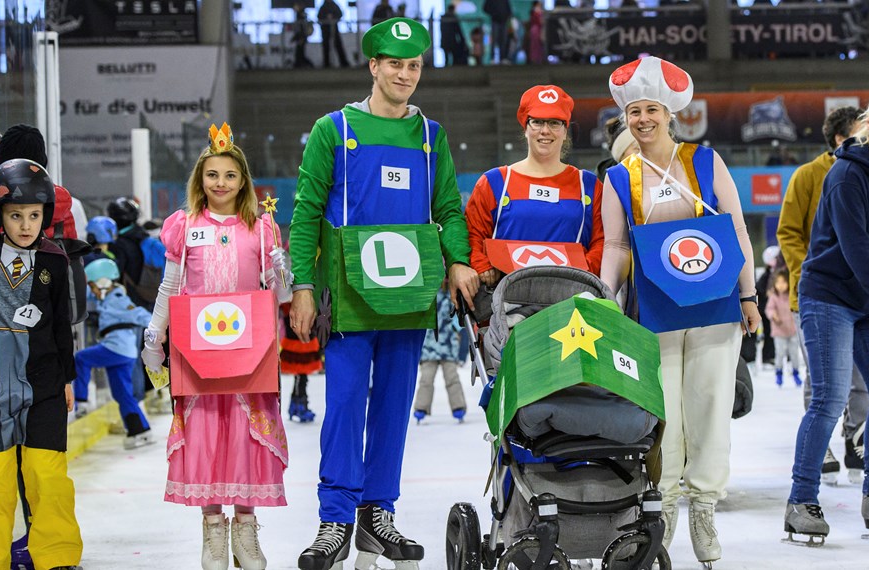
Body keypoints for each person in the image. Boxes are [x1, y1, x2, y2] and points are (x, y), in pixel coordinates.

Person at [286, 17, 478, 570]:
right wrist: (302, 284)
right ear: (373, 66)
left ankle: (377, 515)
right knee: (344, 404)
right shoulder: (333, 130)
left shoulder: (429, 136)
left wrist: (460, 260)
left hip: (410, 293)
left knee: (394, 407)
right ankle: (335, 520)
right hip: (346, 295)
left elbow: (447, 207)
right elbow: (305, 214)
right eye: (394, 63)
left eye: (413, 65)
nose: (404, 73)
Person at [600, 57, 760, 567]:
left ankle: (705, 506)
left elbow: (735, 230)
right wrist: (607, 302)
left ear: (669, 113)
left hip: (715, 306)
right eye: (634, 111)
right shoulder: (617, 178)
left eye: (652, 109)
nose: (643, 118)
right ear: (625, 117)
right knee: (662, 414)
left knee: (712, 403)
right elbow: (617, 249)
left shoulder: (707, 162)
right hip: (653, 309)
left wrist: (750, 294)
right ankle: (663, 507)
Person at [140, 123, 293, 570]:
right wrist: (155, 333)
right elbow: (171, 286)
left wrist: (280, 272)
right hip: (198, 352)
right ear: (199, 180)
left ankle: (246, 529)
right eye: (212, 175)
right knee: (207, 435)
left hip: (252, 353)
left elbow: (277, 298)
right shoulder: (183, 227)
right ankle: (212, 531)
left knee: (247, 438)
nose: (220, 183)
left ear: (243, 181)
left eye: (229, 175)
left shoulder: (262, 229)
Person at [784, 85, 869, 545]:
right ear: (868, 121)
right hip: (829, 298)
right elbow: (856, 245)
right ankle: (801, 501)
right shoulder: (845, 175)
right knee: (829, 397)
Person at [0, 158, 84, 570]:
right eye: (15, 216)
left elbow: (63, 325)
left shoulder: (54, 260)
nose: (25, 225)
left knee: (48, 475)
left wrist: (68, 377)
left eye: (33, 216)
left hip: (44, 383)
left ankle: (57, 556)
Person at [776, 105, 869, 484]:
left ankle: (857, 439)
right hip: (816, 295)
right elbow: (788, 232)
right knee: (821, 379)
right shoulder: (808, 175)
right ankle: (823, 446)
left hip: (862, 296)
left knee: (861, 378)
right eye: (863, 130)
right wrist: (810, 271)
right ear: (840, 138)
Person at [465, 84, 605, 285]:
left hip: (570, 299)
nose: (545, 131)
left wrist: (583, 272)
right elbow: (473, 233)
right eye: (537, 122)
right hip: (507, 302)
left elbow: (601, 240)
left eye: (555, 123)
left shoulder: (589, 186)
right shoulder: (494, 182)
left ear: (566, 131)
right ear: (525, 128)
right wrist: (482, 266)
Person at [73, 258, 155, 449]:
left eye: (93, 286)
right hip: (121, 352)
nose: (92, 291)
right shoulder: (105, 297)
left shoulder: (118, 300)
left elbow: (142, 315)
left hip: (118, 349)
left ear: (103, 283)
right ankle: (140, 431)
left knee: (81, 358)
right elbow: (83, 294)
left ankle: (82, 402)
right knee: (122, 394)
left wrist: (157, 331)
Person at [413, 282, 466, 423]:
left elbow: (459, 316)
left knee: (452, 378)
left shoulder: (453, 294)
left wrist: (455, 329)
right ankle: (420, 408)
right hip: (429, 345)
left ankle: (458, 407)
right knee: (426, 379)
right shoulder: (428, 294)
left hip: (448, 344)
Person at [279, 298, 323, 423]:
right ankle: (299, 405)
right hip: (297, 343)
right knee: (301, 376)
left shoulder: (290, 303)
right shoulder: (289, 303)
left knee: (301, 377)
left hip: (302, 342)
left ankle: (296, 405)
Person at [765, 268, 801, 387]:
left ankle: (796, 373)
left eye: (783, 282)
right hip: (779, 331)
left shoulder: (792, 296)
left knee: (794, 353)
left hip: (792, 330)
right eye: (778, 282)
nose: (780, 285)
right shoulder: (774, 297)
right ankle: (779, 373)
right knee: (779, 353)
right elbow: (769, 309)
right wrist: (773, 315)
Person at [317, 0, 350, 68]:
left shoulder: (334, 5)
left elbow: (340, 14)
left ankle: (343, 62)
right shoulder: (323, 6)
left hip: (334, 29)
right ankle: (326, 63)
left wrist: (333, 17)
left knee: (338, 45)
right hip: (325, 29)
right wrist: (326, 17)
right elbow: (319, 16)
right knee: (326, 46)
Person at [292, 3, 315, 69]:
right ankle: (299, 65)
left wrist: (301, 37)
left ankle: (305, 65)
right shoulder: (301, 15)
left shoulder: (301, 16)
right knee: (299, 53)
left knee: (300, 53)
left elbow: (301, 28)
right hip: (301, 36)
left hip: (302, 37)